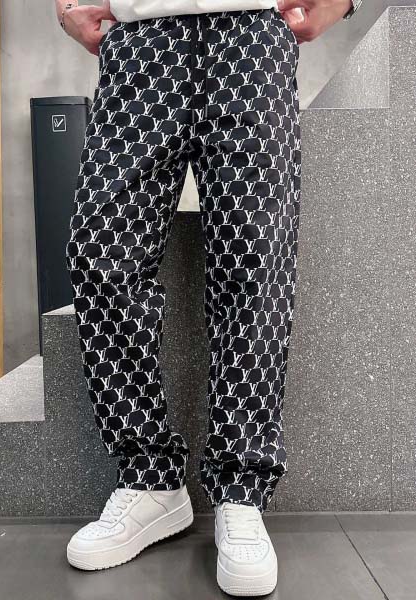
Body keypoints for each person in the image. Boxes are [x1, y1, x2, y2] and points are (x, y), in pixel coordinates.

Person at [56, 0, 361, 595]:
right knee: (101, 252)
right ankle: (150, 479)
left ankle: (240, 490)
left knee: (255, 265)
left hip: (251, 36)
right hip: (141, 41)